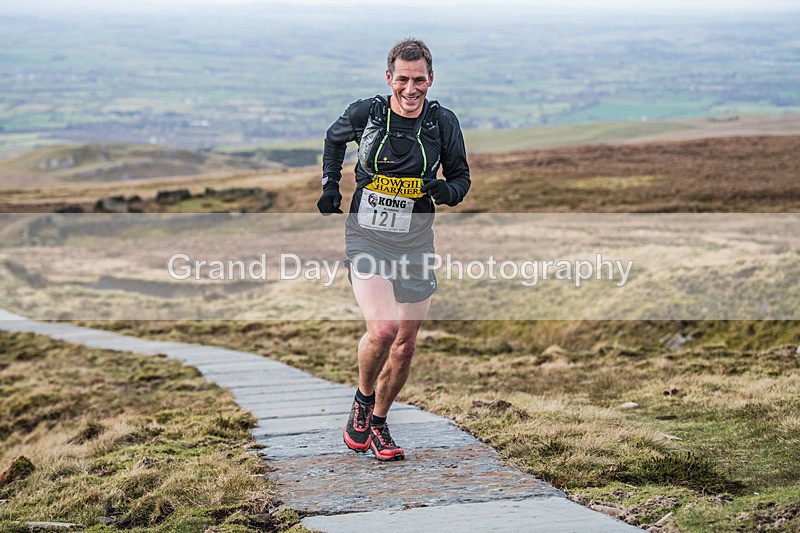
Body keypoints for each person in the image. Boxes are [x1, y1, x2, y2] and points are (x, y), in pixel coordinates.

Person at [317, 38, 470, 461]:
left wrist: (447, 191)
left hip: (417, 241)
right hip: (367, 236)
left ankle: (380, 423)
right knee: (382, 330)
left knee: (405, 344)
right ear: (389, 78)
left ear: (431, 79)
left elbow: (461, 178)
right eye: (402, 79)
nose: (410, 88)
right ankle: (363, 400)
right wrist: (331, 185)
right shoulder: (368, 113)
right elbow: (333, 140)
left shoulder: (443, 123)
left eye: (419, 79)